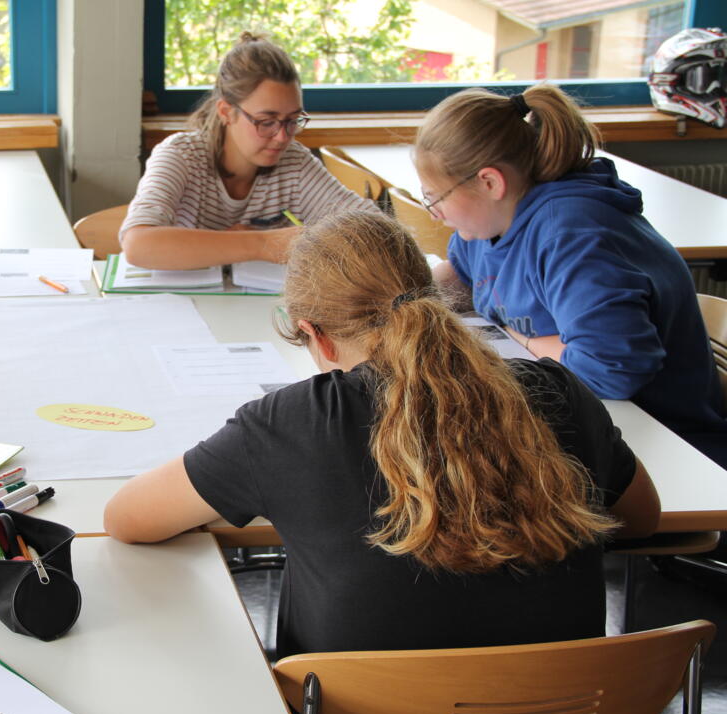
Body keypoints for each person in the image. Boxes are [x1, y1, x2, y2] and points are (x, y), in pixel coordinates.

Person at [104, 210, 660, 658]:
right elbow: (640, 518)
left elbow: (126, 520)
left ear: (313, 336)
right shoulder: (553, 390)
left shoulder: (289, 424)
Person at [418, 84, 727, 468]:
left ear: (490, 183)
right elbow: (462, 278)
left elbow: (610, 373)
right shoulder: (490, 224)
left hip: (664, 448)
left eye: (435, 197)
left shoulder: (575, 235)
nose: (433, 213)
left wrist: (522, 339)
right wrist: (391, 295)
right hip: (585, 420)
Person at [119, 33, 376, 270]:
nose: (282, 136)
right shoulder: (181, 156)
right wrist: (262, 244)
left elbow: (375, 229)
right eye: (266, 121)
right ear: (226, 112)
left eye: (293, 120)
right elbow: (138, 244)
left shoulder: (293, 163)